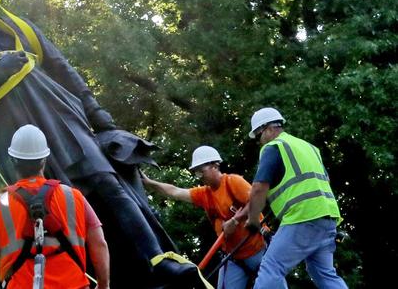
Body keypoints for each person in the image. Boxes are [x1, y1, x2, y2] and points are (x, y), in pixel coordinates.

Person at [0, 0, 207, 287]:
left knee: (109, 184)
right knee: (58, 210)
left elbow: (63, 69)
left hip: (63, 117)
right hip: (16, 134)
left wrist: (99, 116)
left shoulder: (19, 27)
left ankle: (158, 262)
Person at [0, 125, 110, 289]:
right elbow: (99, 243)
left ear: (12, 160)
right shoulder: (73, 197)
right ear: (44, 159)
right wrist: (103, 285)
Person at [244, 107, 347, 289]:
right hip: (328, 219)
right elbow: (322, 180)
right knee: (324, 274)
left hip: (303, 217)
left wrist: (253, 220)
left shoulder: (274, 146)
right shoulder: (309, 147)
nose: (259, 142)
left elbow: (259, 188)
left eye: (258, 136)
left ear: (268, 129)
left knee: (271, 267)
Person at [143, 146, 267, 289]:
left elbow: (257, 200)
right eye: (197, 173)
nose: (200, 176)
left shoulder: (232, 182)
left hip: (257, 249)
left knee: (272, 284)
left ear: (215, 166)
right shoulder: (204, 194)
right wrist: (149, 183)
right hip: (234, 257)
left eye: (202, 171)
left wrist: (235, 220)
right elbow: (175, 192)